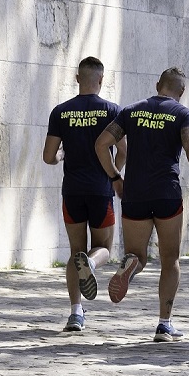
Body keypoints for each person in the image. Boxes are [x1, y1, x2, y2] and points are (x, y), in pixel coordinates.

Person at [96, 67, 189, 341]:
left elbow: (102, 144)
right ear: (181, 92)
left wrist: (115, 177)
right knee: (170, 259)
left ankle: (131, 265)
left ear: (157, 83)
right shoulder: (184, 114)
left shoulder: (131, 111)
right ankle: (164, 324)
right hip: (166, 194)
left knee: (139, 255)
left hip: (135, 192)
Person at [41, 55, 119, 332]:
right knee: (105, 249)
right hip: (100, 190)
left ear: (77, 78)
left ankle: (76, 313)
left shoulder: (60, 112)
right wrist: (114, 173)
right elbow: (123, 150)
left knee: (75, 252)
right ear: (101, 80)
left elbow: (48, 156)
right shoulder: (112, 110)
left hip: (72, 191)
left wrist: (62, 155)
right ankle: (93, 264)